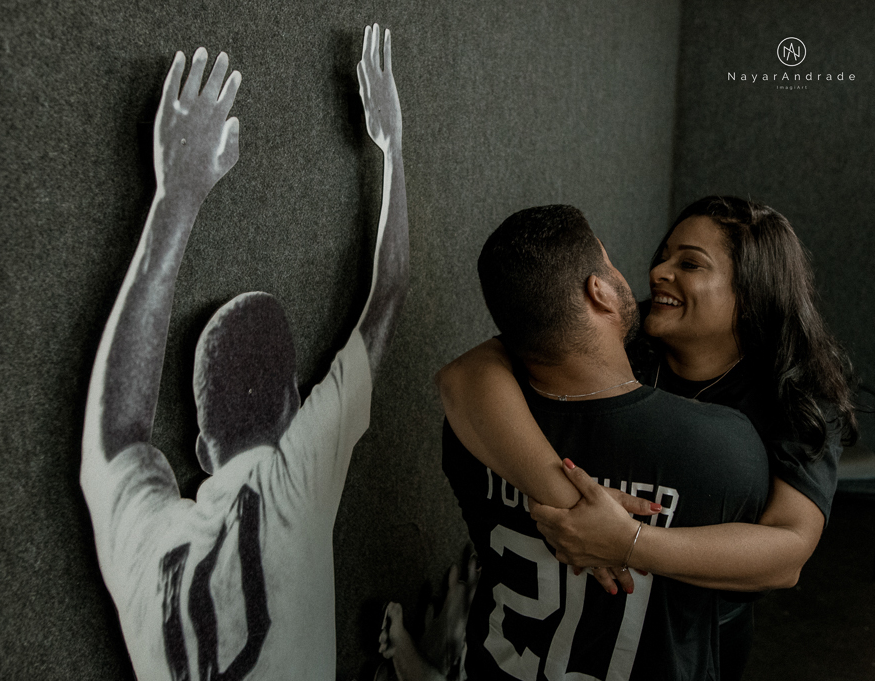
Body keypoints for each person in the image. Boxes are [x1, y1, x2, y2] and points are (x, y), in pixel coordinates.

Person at [80, 24, 407, 681]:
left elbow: (119, 430)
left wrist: (175, 198)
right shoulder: (299, 483)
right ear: (294, 404)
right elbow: (391, 290)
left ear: (201, 450)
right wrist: (392, 145)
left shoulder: (150, 551)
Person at [437, 196, 857, 679]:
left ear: (753, 291)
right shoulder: (624, 336)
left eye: (690, 263)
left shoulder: (799, 395)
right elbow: (464, 377)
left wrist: (627, 542)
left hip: (702, 625)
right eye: (664, 255)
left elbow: (786, 556)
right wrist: (568, 500)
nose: (658, 271)